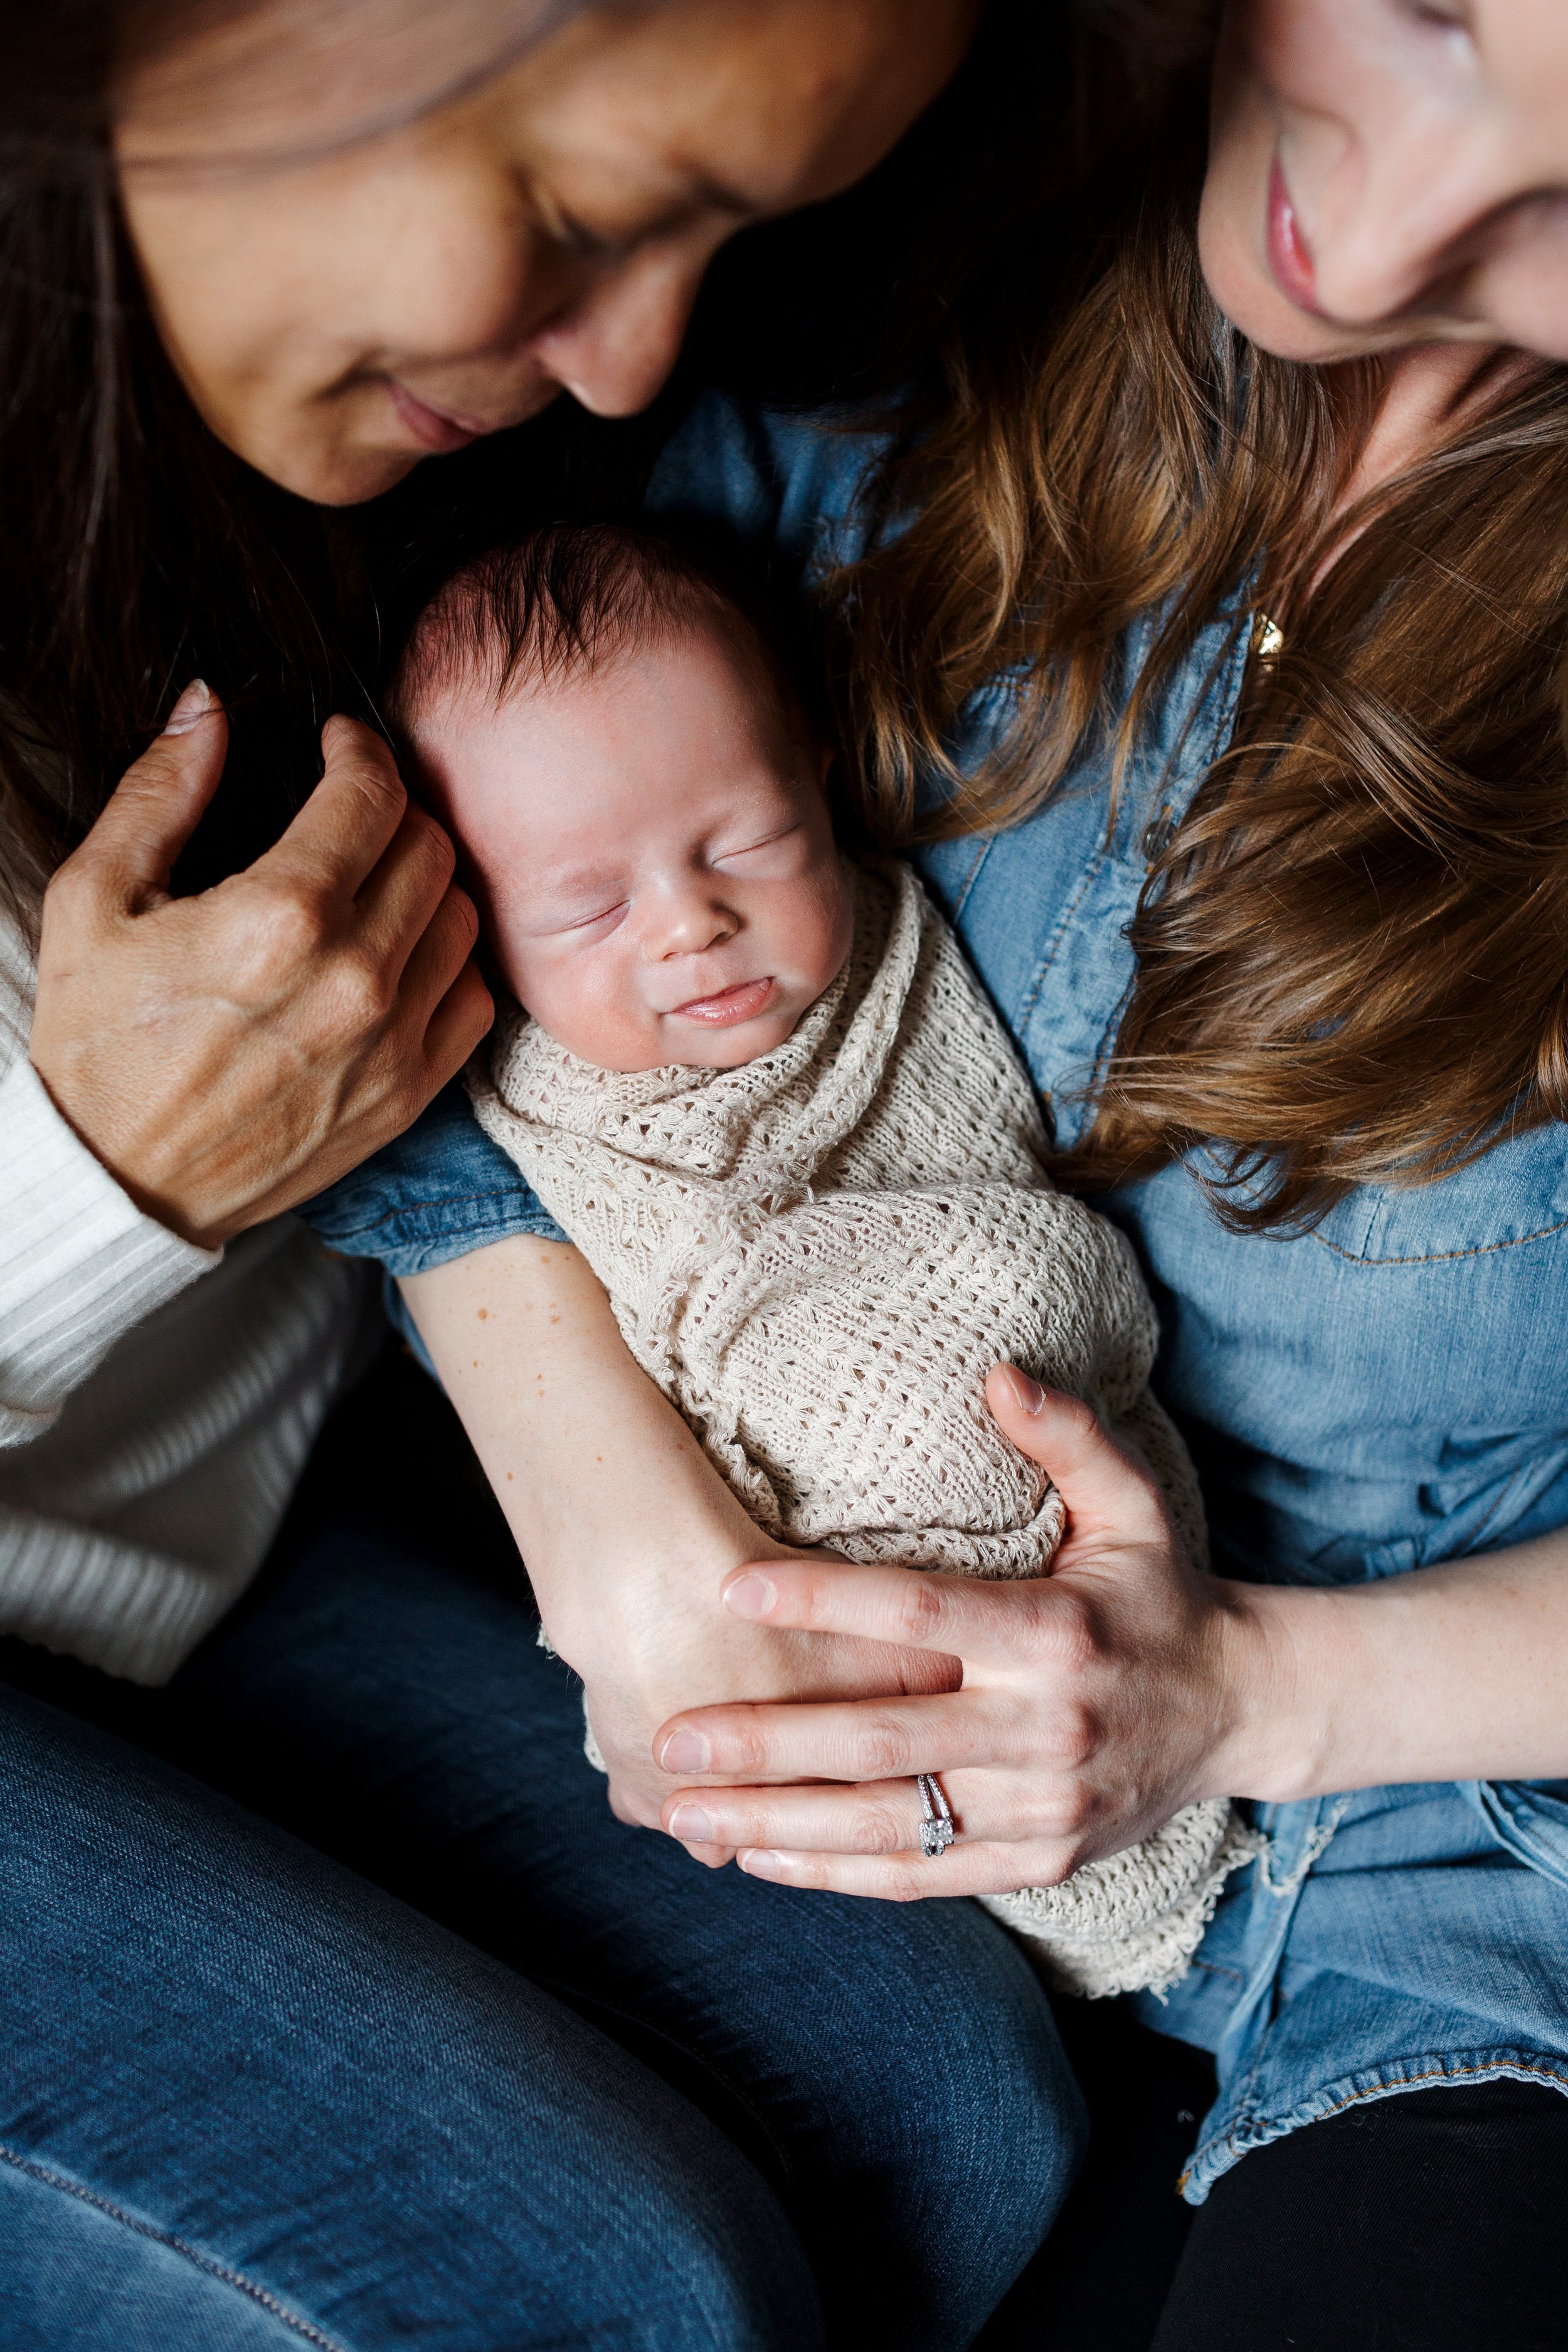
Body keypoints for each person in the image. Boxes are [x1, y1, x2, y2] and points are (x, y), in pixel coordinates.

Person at [307, 4, 1568, 2346]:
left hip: (1464, 1887)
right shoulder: (891, 286)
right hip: (837, 1726)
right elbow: (439, 961)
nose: (1381, 234)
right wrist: (610, 1526)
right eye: (1423, 22)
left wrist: (1258, 1696)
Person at [3, 6, 1097, 2349]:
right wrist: (89, 1185)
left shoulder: (353, 465)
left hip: (184, 1546)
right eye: (594, 215)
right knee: (609, 2292)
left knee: (956, 2122)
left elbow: (478, 1063)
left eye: (724, 233)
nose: (626, 372)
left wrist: (609, 1508)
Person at [381, 517, 1239, 1992]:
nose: (693, 924)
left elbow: (1048, 1270)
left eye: (746, 844)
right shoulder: (523, 1099)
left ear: (821, 791)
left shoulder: (893, 975)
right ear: (474, 932)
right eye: (587, 907)